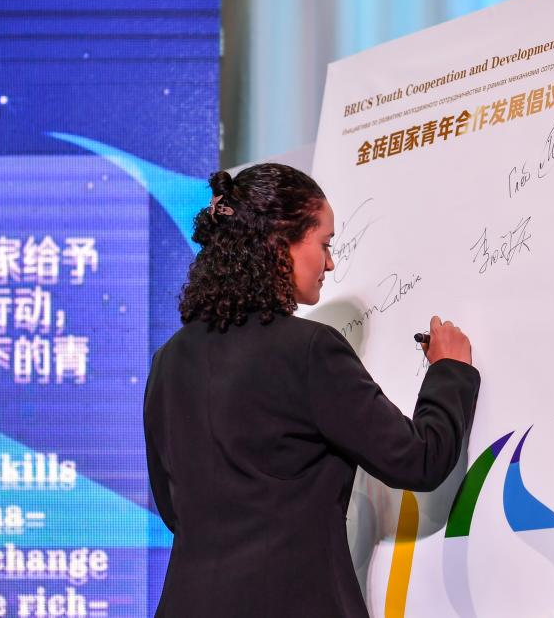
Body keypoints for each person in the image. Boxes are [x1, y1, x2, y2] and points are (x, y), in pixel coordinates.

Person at [143, 163, 480, 617]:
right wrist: (449, 371)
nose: (331, 262)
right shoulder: (308, 350)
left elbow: (172, 507)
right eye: (325, 244)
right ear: (279, 241)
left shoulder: (167, 361)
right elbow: (419, 459)